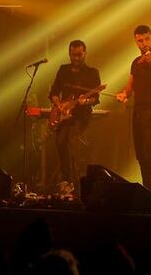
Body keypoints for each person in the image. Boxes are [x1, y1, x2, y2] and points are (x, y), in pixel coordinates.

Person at [116, 25, 151, 202]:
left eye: (147, 39)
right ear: (135, 41)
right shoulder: (136, 62)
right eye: (140, 40)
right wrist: (123, 93)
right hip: (138, 112)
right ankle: (148, 193)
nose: (144, 44)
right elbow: (130, 87)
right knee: (141, 156)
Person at [49, 40, 102, 191]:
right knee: (60, 142)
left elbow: (96, 98)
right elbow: (53, 92)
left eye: (79, 55)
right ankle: (67, 180)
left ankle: (76, 184)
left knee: (71, 142)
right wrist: (59, 105)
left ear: (85, 53)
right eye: (73, 55)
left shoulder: (92, 73)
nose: (76, 58)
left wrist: (85, 101)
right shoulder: (63, 70)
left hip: (81, 116)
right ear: (69, 53)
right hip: (64, 115)